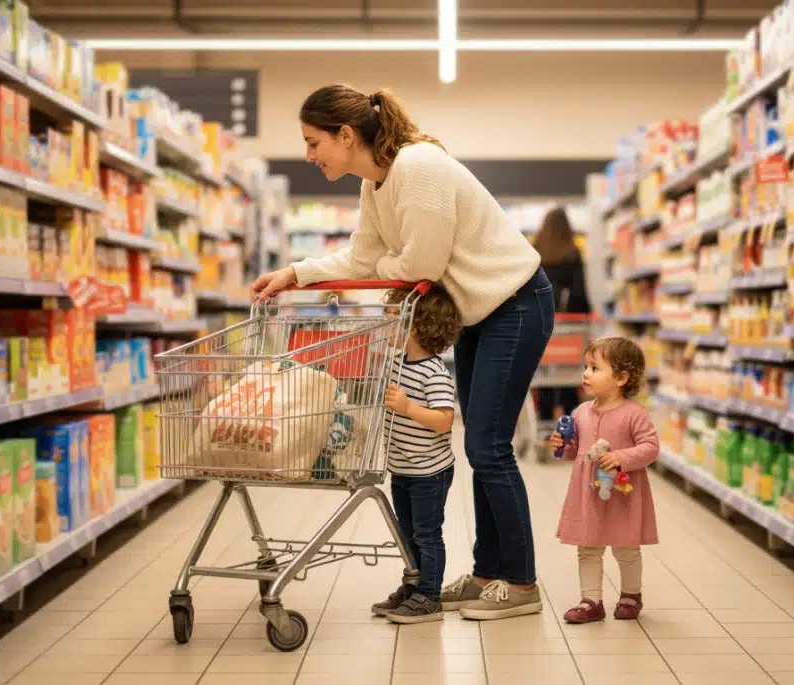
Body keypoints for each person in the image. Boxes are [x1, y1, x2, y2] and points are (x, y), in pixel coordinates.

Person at [252, 84, 553, 621]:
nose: (309, 155)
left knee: (487, 447)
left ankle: (523, 582)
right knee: (484, 446)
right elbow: (363, 258)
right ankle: (488, 572)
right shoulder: (376, 187)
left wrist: (388, 261)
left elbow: (423, 265)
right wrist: (295, 274)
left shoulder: (418, 166)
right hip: (480, 312)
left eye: (313, 141)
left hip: (517, 301)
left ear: (347, 135)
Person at [549, 337, 659, 624]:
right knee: (587, 547)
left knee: (626, 547)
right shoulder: (580, 412)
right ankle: (591, 601)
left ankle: (630, 595)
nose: (586, 373)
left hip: (622, 491)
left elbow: (651, 448)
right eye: (586, 366)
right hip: (588, 493)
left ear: (621, 377)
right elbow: (574, 452)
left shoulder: (634, 413)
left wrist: (622, 457)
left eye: (595, 368)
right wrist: (563, 445)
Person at [370, 286, 462, 624]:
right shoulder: (395, 362)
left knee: (427, 533)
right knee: (406, 533)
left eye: (391, 317)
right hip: (403, 467)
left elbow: (444, 420)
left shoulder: (434, 372)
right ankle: (413, 586)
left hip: (430, 472)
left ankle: (430, 595)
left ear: (415, 324)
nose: (385, 323)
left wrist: (408, 407)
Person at [533, 206, 591, 422]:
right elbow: (580, 296)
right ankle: (571, 429)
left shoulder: (534, 254)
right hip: (569, 331)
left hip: (539, 329)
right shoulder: (573, 255)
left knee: (543, 379)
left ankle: (545, 425)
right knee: (568, 377)